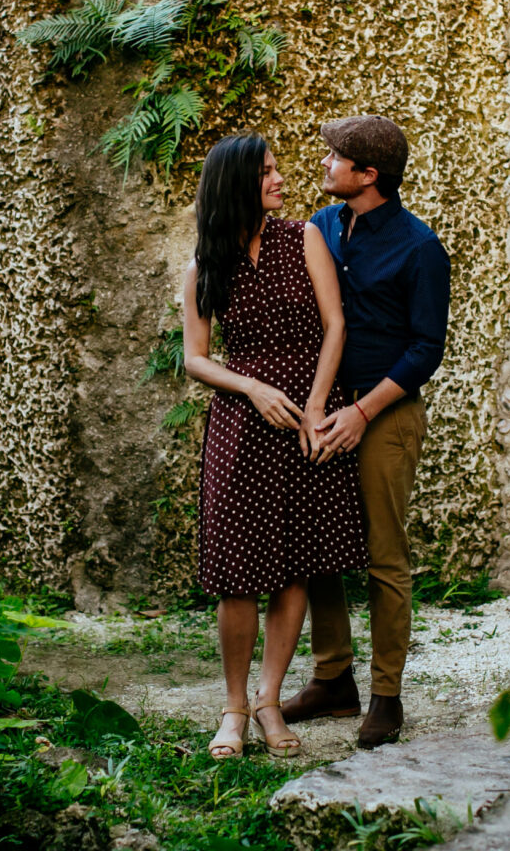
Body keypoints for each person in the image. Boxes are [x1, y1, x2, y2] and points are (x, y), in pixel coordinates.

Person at [182, 132, 370, 759]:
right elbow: (195, 358)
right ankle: (233, 709)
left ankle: (269, 701)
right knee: (238, 574)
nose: (279, 179)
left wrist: (316, 409)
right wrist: (253, 388)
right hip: (242, 425)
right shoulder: (205, 266)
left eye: (276, 169)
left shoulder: (304, 237)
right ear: (237, 182)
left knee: (295, 565)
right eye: (266, 172)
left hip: (307, 420)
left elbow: (335, 325)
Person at [281, 115, 451, 749]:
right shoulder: (321, 227)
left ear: (368, 174)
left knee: (384, 555)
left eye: (336, 157)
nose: (325, 163)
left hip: (385, 415)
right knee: (319, 546)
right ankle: (332, 680)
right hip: (324, 411)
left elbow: (426, 348)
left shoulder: (420, 247)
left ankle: (386, 695)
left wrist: (362, 413)